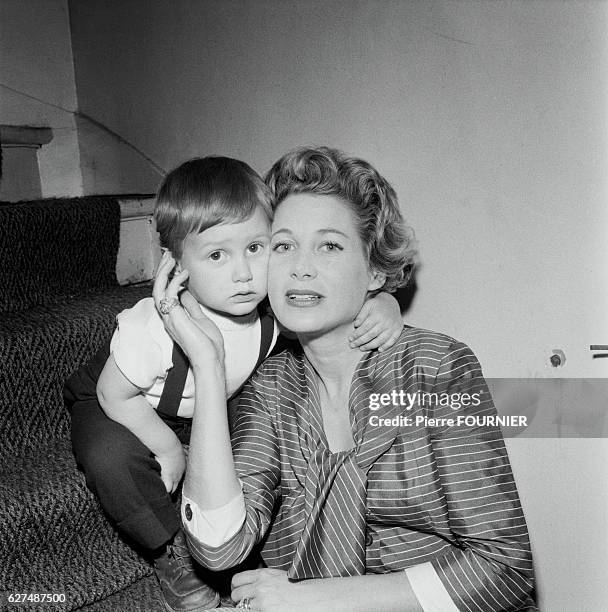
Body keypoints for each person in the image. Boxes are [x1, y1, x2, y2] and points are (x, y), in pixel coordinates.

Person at [156, 147, 537, 612]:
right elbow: (219, 549)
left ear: (376, 270)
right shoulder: (270, 387)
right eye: (282, 245)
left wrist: (311, 599)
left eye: (329, 245)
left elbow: (504, 568)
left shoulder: (436, 368)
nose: (300, 266)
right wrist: (208, 370)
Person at [65, 156, 404, 612]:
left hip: (203, 405)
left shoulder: (270, 313)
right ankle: (170, 554)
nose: (243, 274)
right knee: (111, 460)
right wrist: (168, 450)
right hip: (122, 400)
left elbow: (333, 307)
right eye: (217, 255)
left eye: (257, 248)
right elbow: (114, 393)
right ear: (176, 264)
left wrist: (382, 302)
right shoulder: (153, 328)